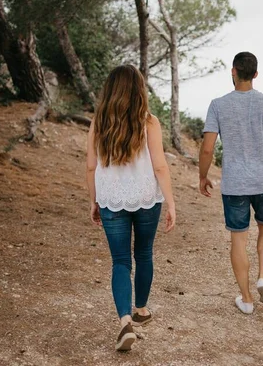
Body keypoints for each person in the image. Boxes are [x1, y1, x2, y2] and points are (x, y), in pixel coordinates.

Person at [86, 65, 176, 351]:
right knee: (144, 252)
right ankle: (141, 309)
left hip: (112, 198)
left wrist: (94, 200)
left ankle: (125, 320)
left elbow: (91, 166)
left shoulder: (98, 123)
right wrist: (171, 202)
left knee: (121, 261)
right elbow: (160, 166)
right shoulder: (149, 121)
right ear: (140, 90)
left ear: (110, 90)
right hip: (147, 197)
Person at [199, 52, 263, 314]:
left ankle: (247, 299)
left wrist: (202, 176)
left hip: (235, 184)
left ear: (233, 72)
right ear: (256, 74)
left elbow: (207, 149)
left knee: (238, 239)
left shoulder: (218, 105)